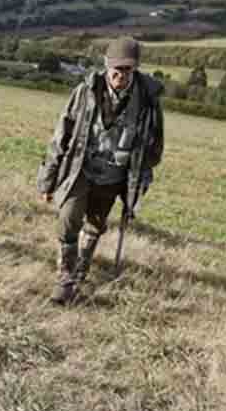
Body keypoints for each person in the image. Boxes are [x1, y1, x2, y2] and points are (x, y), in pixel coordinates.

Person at [36, 36, 163, 304]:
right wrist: (47, 180)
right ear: (106, 65)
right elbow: (62, 134)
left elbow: (154, 149)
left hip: (115, 178)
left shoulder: (148, 101)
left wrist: (138, 189)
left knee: (95, 226)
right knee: (68, 220)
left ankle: (81, 269)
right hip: (79, 169)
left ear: (135, 68)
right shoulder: (86, 91)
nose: (121, 74)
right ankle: (65, 278)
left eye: (128, 69)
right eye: (116, 68)